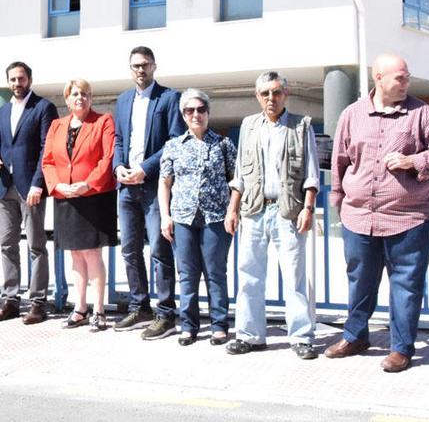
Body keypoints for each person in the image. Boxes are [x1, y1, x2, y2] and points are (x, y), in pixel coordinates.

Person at [326, 53, 429, 373]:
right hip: (359, 217)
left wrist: (414, 161)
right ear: (378, 78)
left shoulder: (423, 113)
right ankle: (355, 336)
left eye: (407, 77)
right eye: (399, 77)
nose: (405, 83)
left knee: (406, 283)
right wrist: (339, 198)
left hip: (410, 217)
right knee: (360, 280)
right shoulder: (352, 114)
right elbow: (340, 159)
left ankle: (401, 348)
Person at [223, 71, 320, 360]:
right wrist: (232, 209)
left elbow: (311, 175)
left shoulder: (301, 126)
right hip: (254, 210)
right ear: (257, 96)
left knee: (294, 277)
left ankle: (301, 337)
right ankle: (250, 335)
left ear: (284, 95)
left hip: (288, 211)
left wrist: (308, 207)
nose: (270, 98)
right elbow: (240, 173)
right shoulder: (248, 125)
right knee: (249, 275)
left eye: (276, 92)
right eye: (265, 93)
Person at [112, 46, 184, 339]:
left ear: (154, 66)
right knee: (129, 249)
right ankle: (138, 305)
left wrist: (146, 167)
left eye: (145, 65)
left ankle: (165, 313)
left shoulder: (169, 98)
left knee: (159, 249)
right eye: (135, 66)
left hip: (155, 187)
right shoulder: (123, 100)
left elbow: (174, 141)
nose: (140, 70)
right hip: (127, 186)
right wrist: (118, 166)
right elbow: (118, 139)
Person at [159, 89, 236, 346]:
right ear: (183, 114)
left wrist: (233, 211)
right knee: (188, 274)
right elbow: (165, 183)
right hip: (182, 218)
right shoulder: (172, 146)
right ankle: (188, 325)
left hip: (216, 218)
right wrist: (165, 216)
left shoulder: (223, 144)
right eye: (190, 110)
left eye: (201, 109)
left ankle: (219, 324)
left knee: (215, 273)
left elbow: (235, 181)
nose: (196, 114)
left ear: (208, 112)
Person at [42, 79, 117, 332]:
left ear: (91, 97)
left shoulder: (103, 121)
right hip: (66, 197)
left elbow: (107, 158)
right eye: (75, 94)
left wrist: (88, 183)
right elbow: (48, 161)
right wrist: (57, 186)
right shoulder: (56, 125)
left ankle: (98, 310)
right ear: (67, 99)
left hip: (93, 196)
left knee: (92, 254)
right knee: (75, 255)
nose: (80, 98)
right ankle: (80, 308)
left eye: (85, 94)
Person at [0, 62, 58, 325]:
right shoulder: (3, 110)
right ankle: (11, 300)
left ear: (29, 79)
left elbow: (46, 149)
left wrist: (39, 183)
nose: (17, 83)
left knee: (36, 246)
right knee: (6, 244)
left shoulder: (43, 107)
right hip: (5, 186)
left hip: (31, 188)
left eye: (21, 78)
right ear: (8, 82)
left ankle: (38, 302)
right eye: (13, 80)